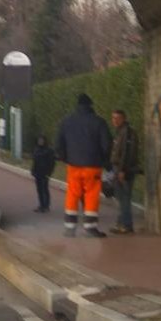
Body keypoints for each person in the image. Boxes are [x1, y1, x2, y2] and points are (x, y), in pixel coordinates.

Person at [56, 93, 112, 238]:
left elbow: (59, 142)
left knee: (73, 193)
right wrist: (105, 160)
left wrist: (64, 157)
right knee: (91, 194)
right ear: (90, 105)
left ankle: (70, 227)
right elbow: (106, 144)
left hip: (73, 165)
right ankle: (90, 227)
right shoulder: (99, 122)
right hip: (92, 165)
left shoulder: (66, 121)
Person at [109, 110, 139, 234]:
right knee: (121, 198)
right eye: (113, 118)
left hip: (124, 169)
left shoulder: (127, 132)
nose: (115, 121)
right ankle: (121, 223)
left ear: (124, 118)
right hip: (118, 168)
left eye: (118, 118)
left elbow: (128, 153)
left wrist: (122, 170)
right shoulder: (120, 132)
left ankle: (126, 225)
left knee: (124, 198)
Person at [30, 136, 56, 213]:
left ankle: (46, 206)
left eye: (42, 140)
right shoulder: (36, 149)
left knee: (45, 189)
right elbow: (34, 161)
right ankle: (41, 205)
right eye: (39, 140)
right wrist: (33, 170)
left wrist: (49, 173)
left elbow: (52, 163)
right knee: (39, 190)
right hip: (37, 172)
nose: (40, 142)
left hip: (45, 172)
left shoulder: (49, 150)